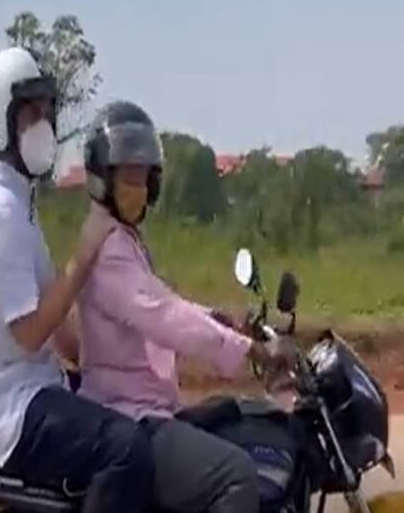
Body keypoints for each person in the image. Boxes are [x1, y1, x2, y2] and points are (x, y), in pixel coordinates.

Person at [0, 48, 154, 513]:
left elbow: (61, 331)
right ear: (0, 120)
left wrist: (116, 362)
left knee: (138, 417)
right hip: (10, 408)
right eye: (29, 112)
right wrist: (83, 254)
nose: (42, 123)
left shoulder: (20, 207)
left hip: (37, 388)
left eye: (47, 110)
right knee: (127, 451)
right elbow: (30, 333)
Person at [76, 100, 296, 513]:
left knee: (233, 419)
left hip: (145, 409)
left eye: (143, 177)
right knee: (236, 475)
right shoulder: (110, 250)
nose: (136, 187)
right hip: (129, 416)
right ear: (101, 177)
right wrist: (250, 349)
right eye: (126, 176)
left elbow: (165, 302)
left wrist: (222, 321)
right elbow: (165, 318)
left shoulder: (123, 241)